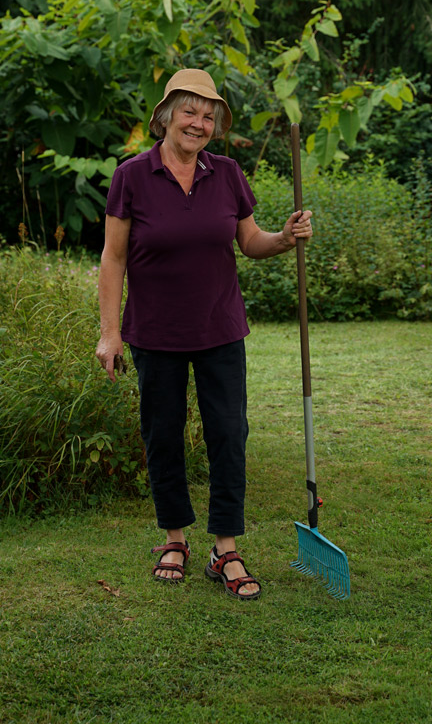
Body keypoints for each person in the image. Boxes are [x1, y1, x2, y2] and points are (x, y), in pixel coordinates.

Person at [95, 68, 313, 600]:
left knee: (228, 434)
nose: (199, 123)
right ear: (166, 117)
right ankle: (174, 539)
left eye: (209, 115)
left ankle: (225, 548)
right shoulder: (132, 175)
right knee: (162, 434)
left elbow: (250, 242)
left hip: (219, 328)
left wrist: (284, 238)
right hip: (154, 331)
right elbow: (113, 256)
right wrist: (109, 332)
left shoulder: (228, 173)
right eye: (190, 112)